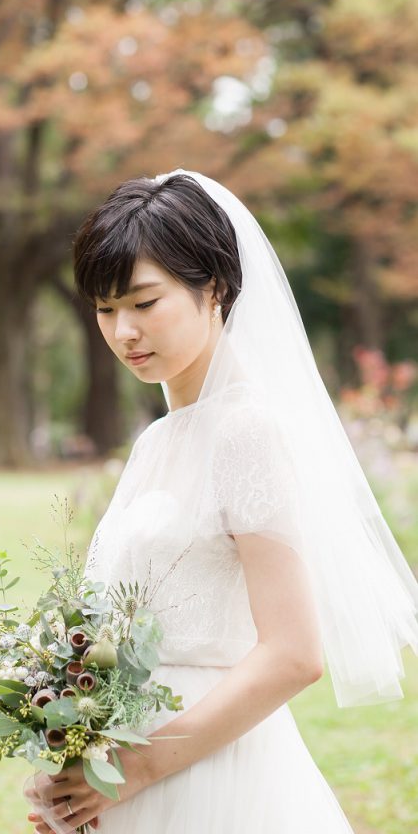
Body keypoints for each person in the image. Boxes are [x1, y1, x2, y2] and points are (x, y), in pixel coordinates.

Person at [27, 170, 418, 834]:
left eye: (145, 303)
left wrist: (139, 767)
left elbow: (295, 652)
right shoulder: (155, 441)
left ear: (214, 288)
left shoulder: (246, 431)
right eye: (104, 308)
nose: (124, 331)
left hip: (210, 778)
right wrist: (64, 745)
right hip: (118, 771)